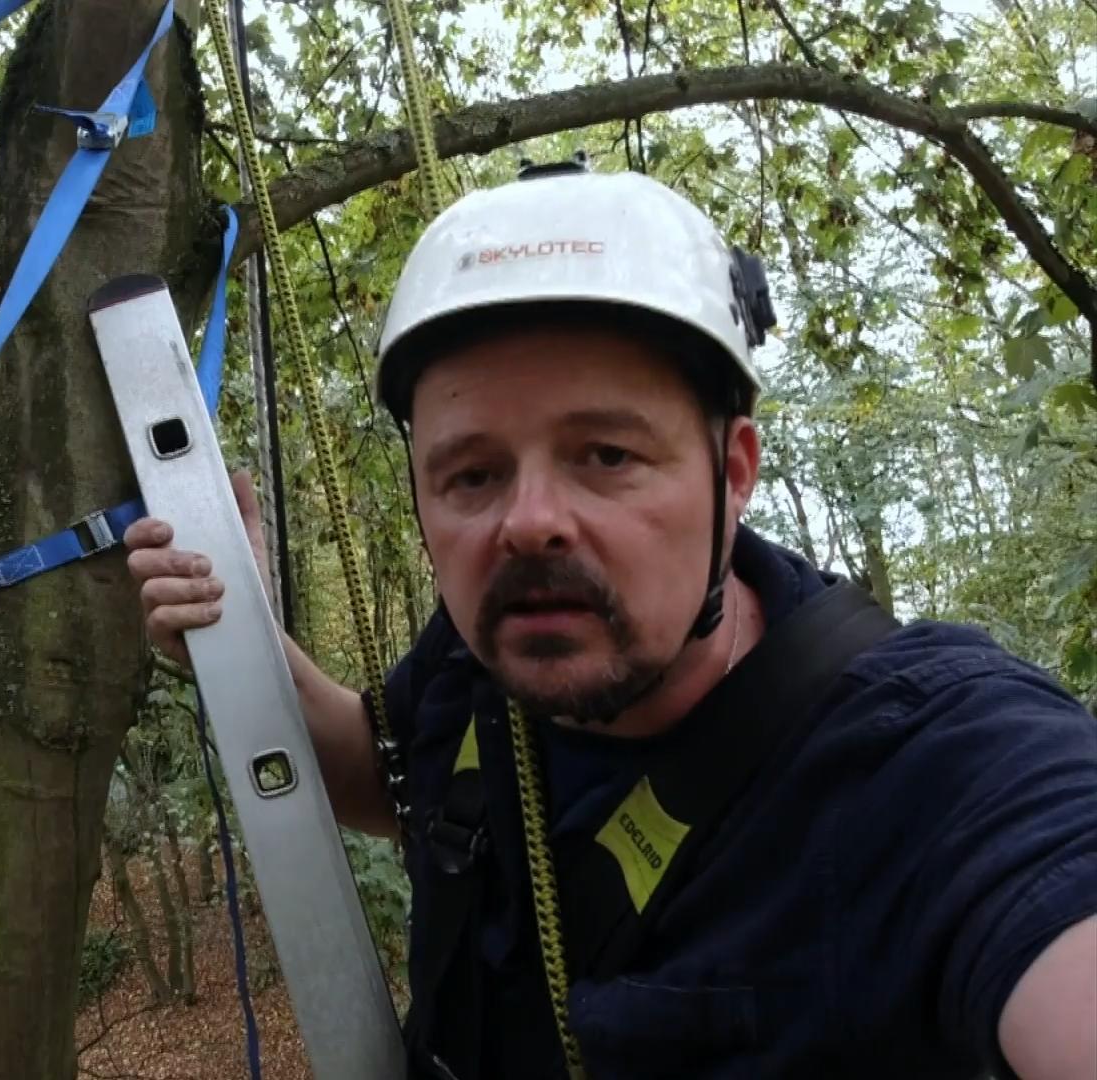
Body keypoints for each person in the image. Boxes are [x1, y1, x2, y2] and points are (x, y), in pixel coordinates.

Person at [125, 160, 1097, 1079]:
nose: (530, 524)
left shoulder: (927, 763)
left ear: (733, 473)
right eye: (473, 474)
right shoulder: (471, 675)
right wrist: (241, 637)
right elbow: (389, 783)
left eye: (606, 456)